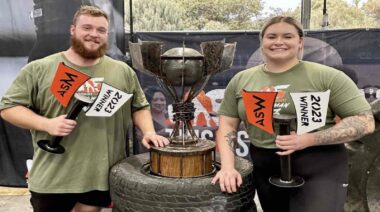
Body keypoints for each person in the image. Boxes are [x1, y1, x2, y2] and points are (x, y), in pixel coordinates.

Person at [0, 5, 169, 212]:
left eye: (100, 30)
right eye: (87, 28)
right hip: (53, 178)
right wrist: (47, 124)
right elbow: (8, 108)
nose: (93, 35)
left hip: (100, 176)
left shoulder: (122, 71)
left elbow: (139, 106)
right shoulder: (40, 68)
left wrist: (149, 131)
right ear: (73, 30)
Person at [211, 16, 375, 212]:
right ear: (262, 42)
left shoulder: (327, 76)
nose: (279, 42)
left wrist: (310, 139)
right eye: (271, 36)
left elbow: (365, 122)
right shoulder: (242, 80)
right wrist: (228, 167)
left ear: (300, 42)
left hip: (319, 164)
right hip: (266, 165)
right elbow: (228, 125)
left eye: (287, 36)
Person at [134, 86, 172, 153]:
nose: (159, 103)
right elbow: (142, 141)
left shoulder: (169, 116)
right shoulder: (144, 119)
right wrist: (166, 130)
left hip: (170, 154)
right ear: (149, 101)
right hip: (149, 155)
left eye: (162, 100)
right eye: (155, 100)